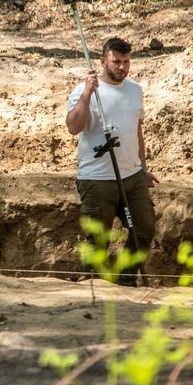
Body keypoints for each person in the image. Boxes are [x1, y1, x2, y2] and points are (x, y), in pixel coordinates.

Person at [65, 37, 158, 284]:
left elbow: (136, 133)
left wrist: (143, 169)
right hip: (97, 179)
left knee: (144, 229)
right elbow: (73, 127)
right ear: (102, 61)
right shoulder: (84, 91)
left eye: (126, 62)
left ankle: (125, 281)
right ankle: (93, 286)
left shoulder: (135, 90)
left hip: (132, 175)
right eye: (116, 62)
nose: (122, 67)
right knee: (97, 238)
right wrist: (87, 92)